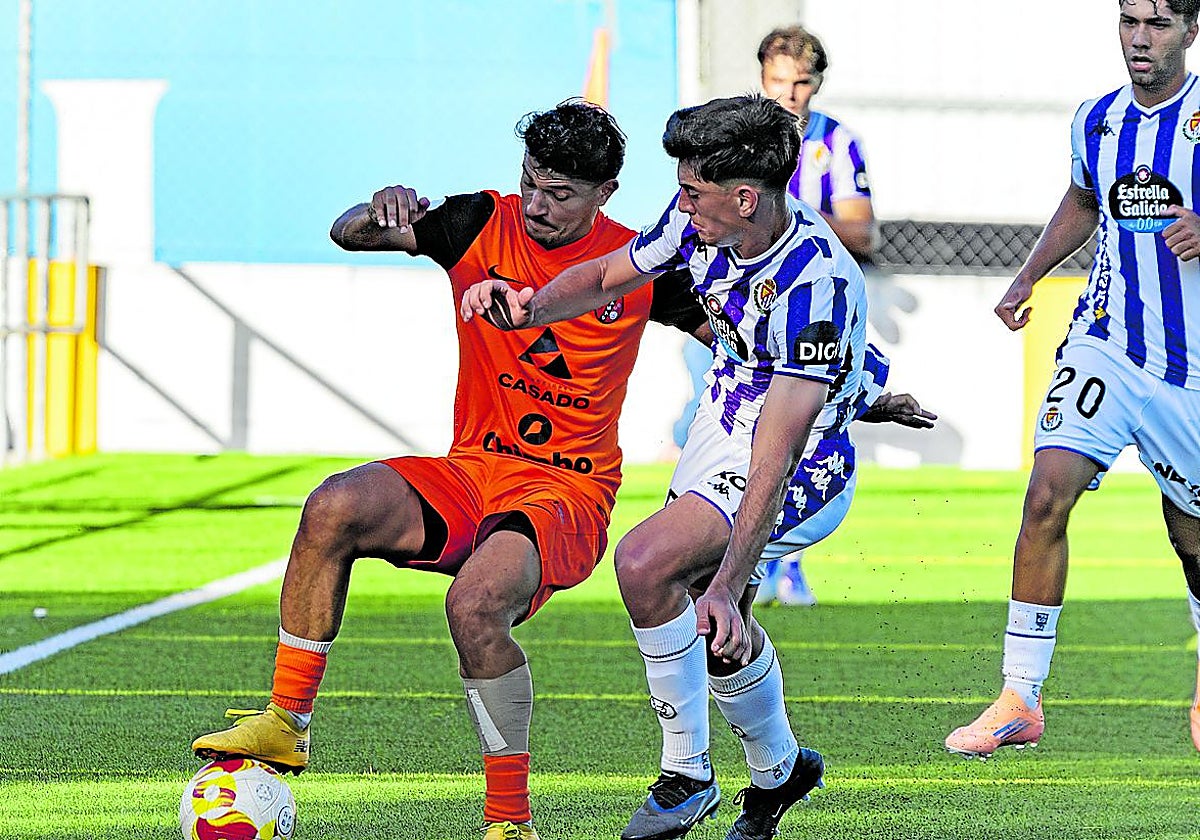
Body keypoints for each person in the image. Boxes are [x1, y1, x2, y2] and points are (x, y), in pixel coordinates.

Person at [188, 100, 712, 840]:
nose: (536, 204)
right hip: (472, 471)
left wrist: (837, 396)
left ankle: (510, 824)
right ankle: (286, 723)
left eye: (559, 193)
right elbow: (348, 234)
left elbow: (738, 337)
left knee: (473, 605)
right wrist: (378, 211)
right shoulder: (478, 222)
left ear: (605, 195)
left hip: (567, 491)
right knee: (334, 504)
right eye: (530, 181)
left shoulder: (638, 263)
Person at [462, 94, 934, 840]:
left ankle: (688, 775)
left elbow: (776, 457)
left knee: (649, 565)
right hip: (724, 421)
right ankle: (780, 773)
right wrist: (526, 308)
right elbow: (603, 277)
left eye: (692, 190)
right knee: (722, 634)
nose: (679, 203)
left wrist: (720, 580)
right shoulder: (699, 218)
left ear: (745, 198)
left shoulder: (817, 284)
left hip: (800, 460)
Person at [945, 0, 1200, 759]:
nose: (1139, 38)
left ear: (1191, 28)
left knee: (1192, 542)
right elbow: (1086, 198)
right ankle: (1020, 693)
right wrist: (1027, 276)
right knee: (1047, 490)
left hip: (1189, 370)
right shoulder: (1095, 119)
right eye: (1129, 21)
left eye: (1157, 23)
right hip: (1106, 343)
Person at [753, 24, 883, 608]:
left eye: (802, 83)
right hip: (737, 312)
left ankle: (783, 559)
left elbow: (863, 229)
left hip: (812, 313)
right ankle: (728, 556)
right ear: (762, 79)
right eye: (779, 81)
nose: (790, 95)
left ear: (817, 84)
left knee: (803, 435)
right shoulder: (738, 143)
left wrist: (793, 226)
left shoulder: (837, 144)